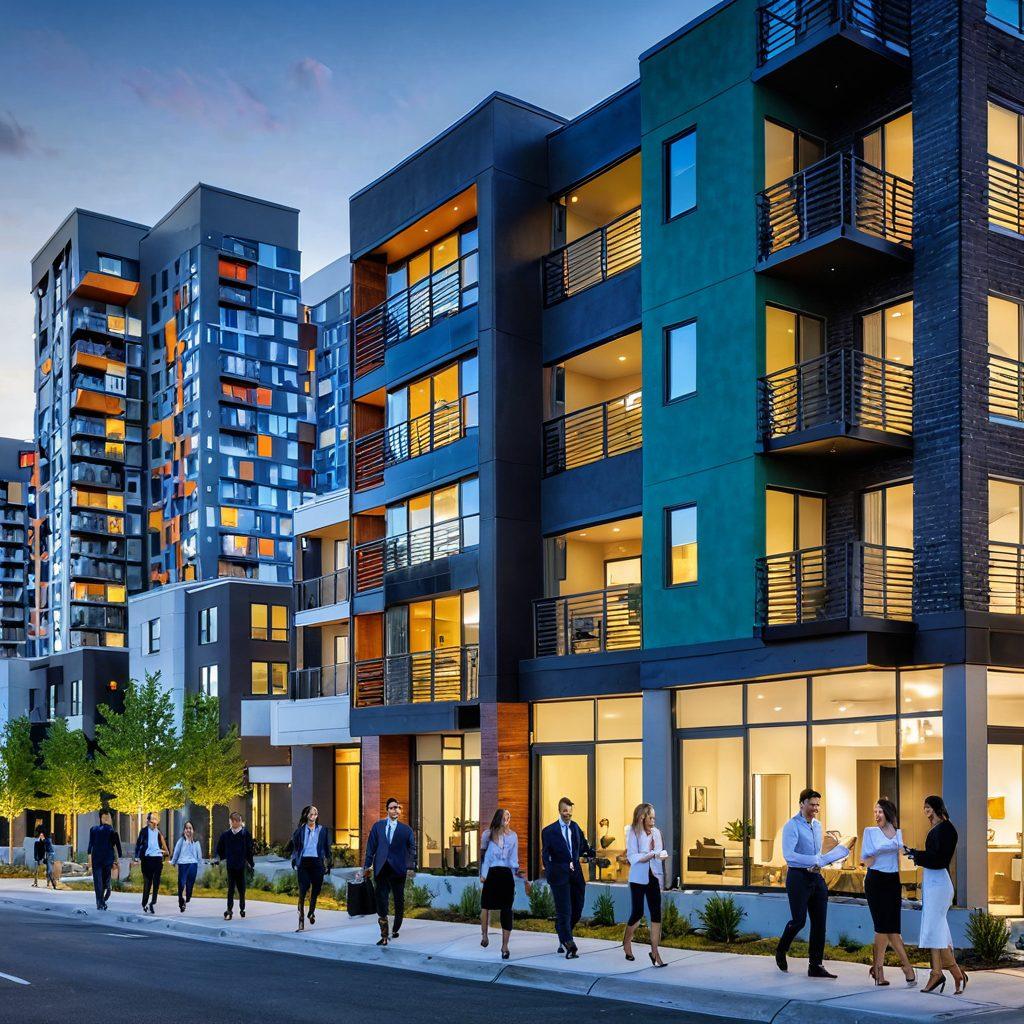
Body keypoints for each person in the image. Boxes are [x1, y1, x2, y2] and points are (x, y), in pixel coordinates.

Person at [774, 788, 853, 978]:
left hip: (816, 877)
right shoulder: (792, 826)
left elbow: (818, 855)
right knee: (799, 921)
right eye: (812, 804)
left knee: (820, 923)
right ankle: (781, 949)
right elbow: (789, 855)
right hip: (798, 877)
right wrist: (814, 860)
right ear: (802, 804)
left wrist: (829, 857)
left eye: (818, 805)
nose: (815, 808)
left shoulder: (817, 826)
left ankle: (815, 965)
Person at [904, 795, 967, 995]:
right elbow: (934, 857)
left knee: (934, 928)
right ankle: (954, 973)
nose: (926, 811)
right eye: (924, 807)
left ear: (937, 808)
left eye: (928, 807)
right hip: (933, 883)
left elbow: (940, 860)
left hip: (939, 884)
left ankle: (938, 973)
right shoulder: (938, 828)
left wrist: (917, 855)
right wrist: (915, 853)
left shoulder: (947, 829)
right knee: (937, 928)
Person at [860, 798, 916, 987]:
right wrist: (881, 850)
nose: (877, 815)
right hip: (875, 880)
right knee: (884, 927)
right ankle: (906, 968)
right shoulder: (870, 832)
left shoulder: (898, 833)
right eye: (875, 812)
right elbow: (867, 860)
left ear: (888, 813)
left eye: (880, 812)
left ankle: (878, 970)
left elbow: (902, 855)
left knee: (891, 928)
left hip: (893, 881)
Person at [541, 796, 595, 960]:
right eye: (565, 811)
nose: (568, 814)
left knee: (577, 909)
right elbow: (545, 856)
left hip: (576, 875)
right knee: (564, 910)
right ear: (559, 811)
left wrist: (591, 853)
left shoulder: (575, 827)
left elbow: (583, 846)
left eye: (570, 811)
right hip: (559, 875)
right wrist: (552, 871)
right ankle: (569, 943)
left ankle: (561, 929)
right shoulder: (549, 831)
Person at [362, 796, 416, 946]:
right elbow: (370, 848)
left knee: (399, 900)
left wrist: (410, 867)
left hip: (398, 870)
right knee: (381, 899)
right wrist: (366, 866)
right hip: (381, 868)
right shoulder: (378, 827)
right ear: (387, 810)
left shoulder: (406, 830)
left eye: (397, 807)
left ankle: (395, 928)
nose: (395, 810)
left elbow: (412, 850)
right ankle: (384, 934)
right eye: (392, 808)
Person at [479, 808, 531, 960]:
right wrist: (482, 874)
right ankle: (484, 935)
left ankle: (505, 946)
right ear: (498, 818)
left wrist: (523, 878)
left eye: (508, 817)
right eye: (504, 817)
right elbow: (483, 857)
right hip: (491, 874)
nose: (506, 819)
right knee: (485, 905)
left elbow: (513, 860)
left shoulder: (513, 836)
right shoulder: (487, 834)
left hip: (506, 875)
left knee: (507, 910)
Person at [623, 803, 668, 967]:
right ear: (642, 817)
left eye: (654, 818)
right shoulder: (632, 832)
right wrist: (650, 855)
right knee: (638, 913)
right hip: (638, 878)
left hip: (654, 876)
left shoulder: (656, 833)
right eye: (650, 818)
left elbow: (659, 852)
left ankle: (655, 952)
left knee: (656, 914)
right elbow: (632, 857)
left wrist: (658, 855)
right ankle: (626, 942)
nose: (653, 821)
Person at [291, 804, 332, 931]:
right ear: (306, 815)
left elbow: (327, 848)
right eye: (311, 813)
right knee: (303, 890)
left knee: (316, 890)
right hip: (304, 862)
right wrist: (294, 859)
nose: (314, 816)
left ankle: (311, 912)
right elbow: (295, 847)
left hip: (317, 863)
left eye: (316, 814)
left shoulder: (323, 830)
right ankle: (301, 918)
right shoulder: (300, 830)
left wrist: (329, 863)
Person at [215, 811, 255, 921]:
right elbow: (219, 848)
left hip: (241, 865)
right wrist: (221, 857)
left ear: (235, 822)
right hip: (231, 865)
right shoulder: (226, 835)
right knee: (231, 889)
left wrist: (251, 863)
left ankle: (242, 908)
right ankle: (229, 910)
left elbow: (249, 850)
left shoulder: (245, 834)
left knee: (242, 888)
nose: (231, 823)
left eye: (238, 821)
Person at [133, 812, 170, 914]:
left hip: (157, 859)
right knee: (148, 882)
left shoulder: (159, 833)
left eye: (156, 819)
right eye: (152, 819)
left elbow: (165, 847)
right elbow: (138, 844)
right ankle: (144, 903)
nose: (154, 821)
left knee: (156, 882)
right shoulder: (144, 831)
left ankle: (152, 903)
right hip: (147, 859)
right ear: (148, 821)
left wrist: (165, 853)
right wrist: (136, 857)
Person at [86, 810, 122, 910]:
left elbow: (90, 845)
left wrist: (89, 858)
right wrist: (118, 860)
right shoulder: (109, 831)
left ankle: (101, 900)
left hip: (100, 860)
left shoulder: (108, 831)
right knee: (101, 881)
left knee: (100, 882)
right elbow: (118, 848)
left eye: (107, 817)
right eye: (105, 817)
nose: (106, 819)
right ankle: (101, 900)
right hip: (103, 860)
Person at [170, 820, 203, 913]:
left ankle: (187, 898)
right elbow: (176, 852)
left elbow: (199, 855)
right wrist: (173, 862)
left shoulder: (196, 842)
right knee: (181, 883)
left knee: (190, 884)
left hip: (193, 864)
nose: (188, 830)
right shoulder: (181, 841)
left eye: (190, 828)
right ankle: (181, 900)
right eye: (186, 828)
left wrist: (200, 865)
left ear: (193, 830)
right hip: (183, 864)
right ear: (184, 830)